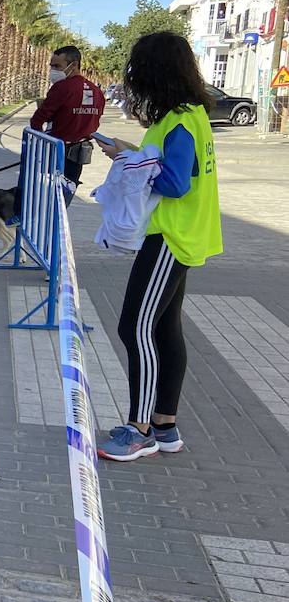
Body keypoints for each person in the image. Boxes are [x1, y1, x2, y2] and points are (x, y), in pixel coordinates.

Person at [96, 32, 221, 461]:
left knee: (134, 326)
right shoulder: (187, 116)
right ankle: (165, 426)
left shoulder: (179, 121)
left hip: (170, 235)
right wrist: (131, 151)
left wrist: (134, 164)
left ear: (155, 73)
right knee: (165, 330)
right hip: (184, 234)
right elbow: (168, 162)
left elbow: (173, 181)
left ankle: (139, 429)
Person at [31, 45, 105, 207]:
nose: (53, 70)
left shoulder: (62, 88)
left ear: (74, 65)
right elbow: (94, 123)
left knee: (45, 206)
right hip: (79, 155)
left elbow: (37, 120)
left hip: (56, 154)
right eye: (51, 66)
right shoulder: (97, 91)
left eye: (57, 66)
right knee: (63, 204)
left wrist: (39, 145)